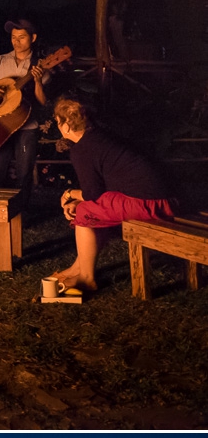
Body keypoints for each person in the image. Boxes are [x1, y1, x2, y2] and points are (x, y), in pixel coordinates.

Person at [51, 95, 178, 291]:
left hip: (148, 202)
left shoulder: (82, 149)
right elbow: (101, 191)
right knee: (89, 209)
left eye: (58, 121)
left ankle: (87, 279)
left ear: (66, 125)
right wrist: (79, 198)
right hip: (163, 197)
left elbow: (92, 193)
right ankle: (77, 268)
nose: (57, 125)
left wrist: (70, 194)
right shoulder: (99, 136)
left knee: (85, 211)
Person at [0, 19, 50, 209]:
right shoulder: (0, 61)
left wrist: (38, 82)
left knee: (24, 175)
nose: (16, 41)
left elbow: (42, 101)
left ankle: (20, 214)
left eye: (21, 37)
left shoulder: (39, 65)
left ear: (33, 38)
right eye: (13, 37)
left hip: (27, 125)